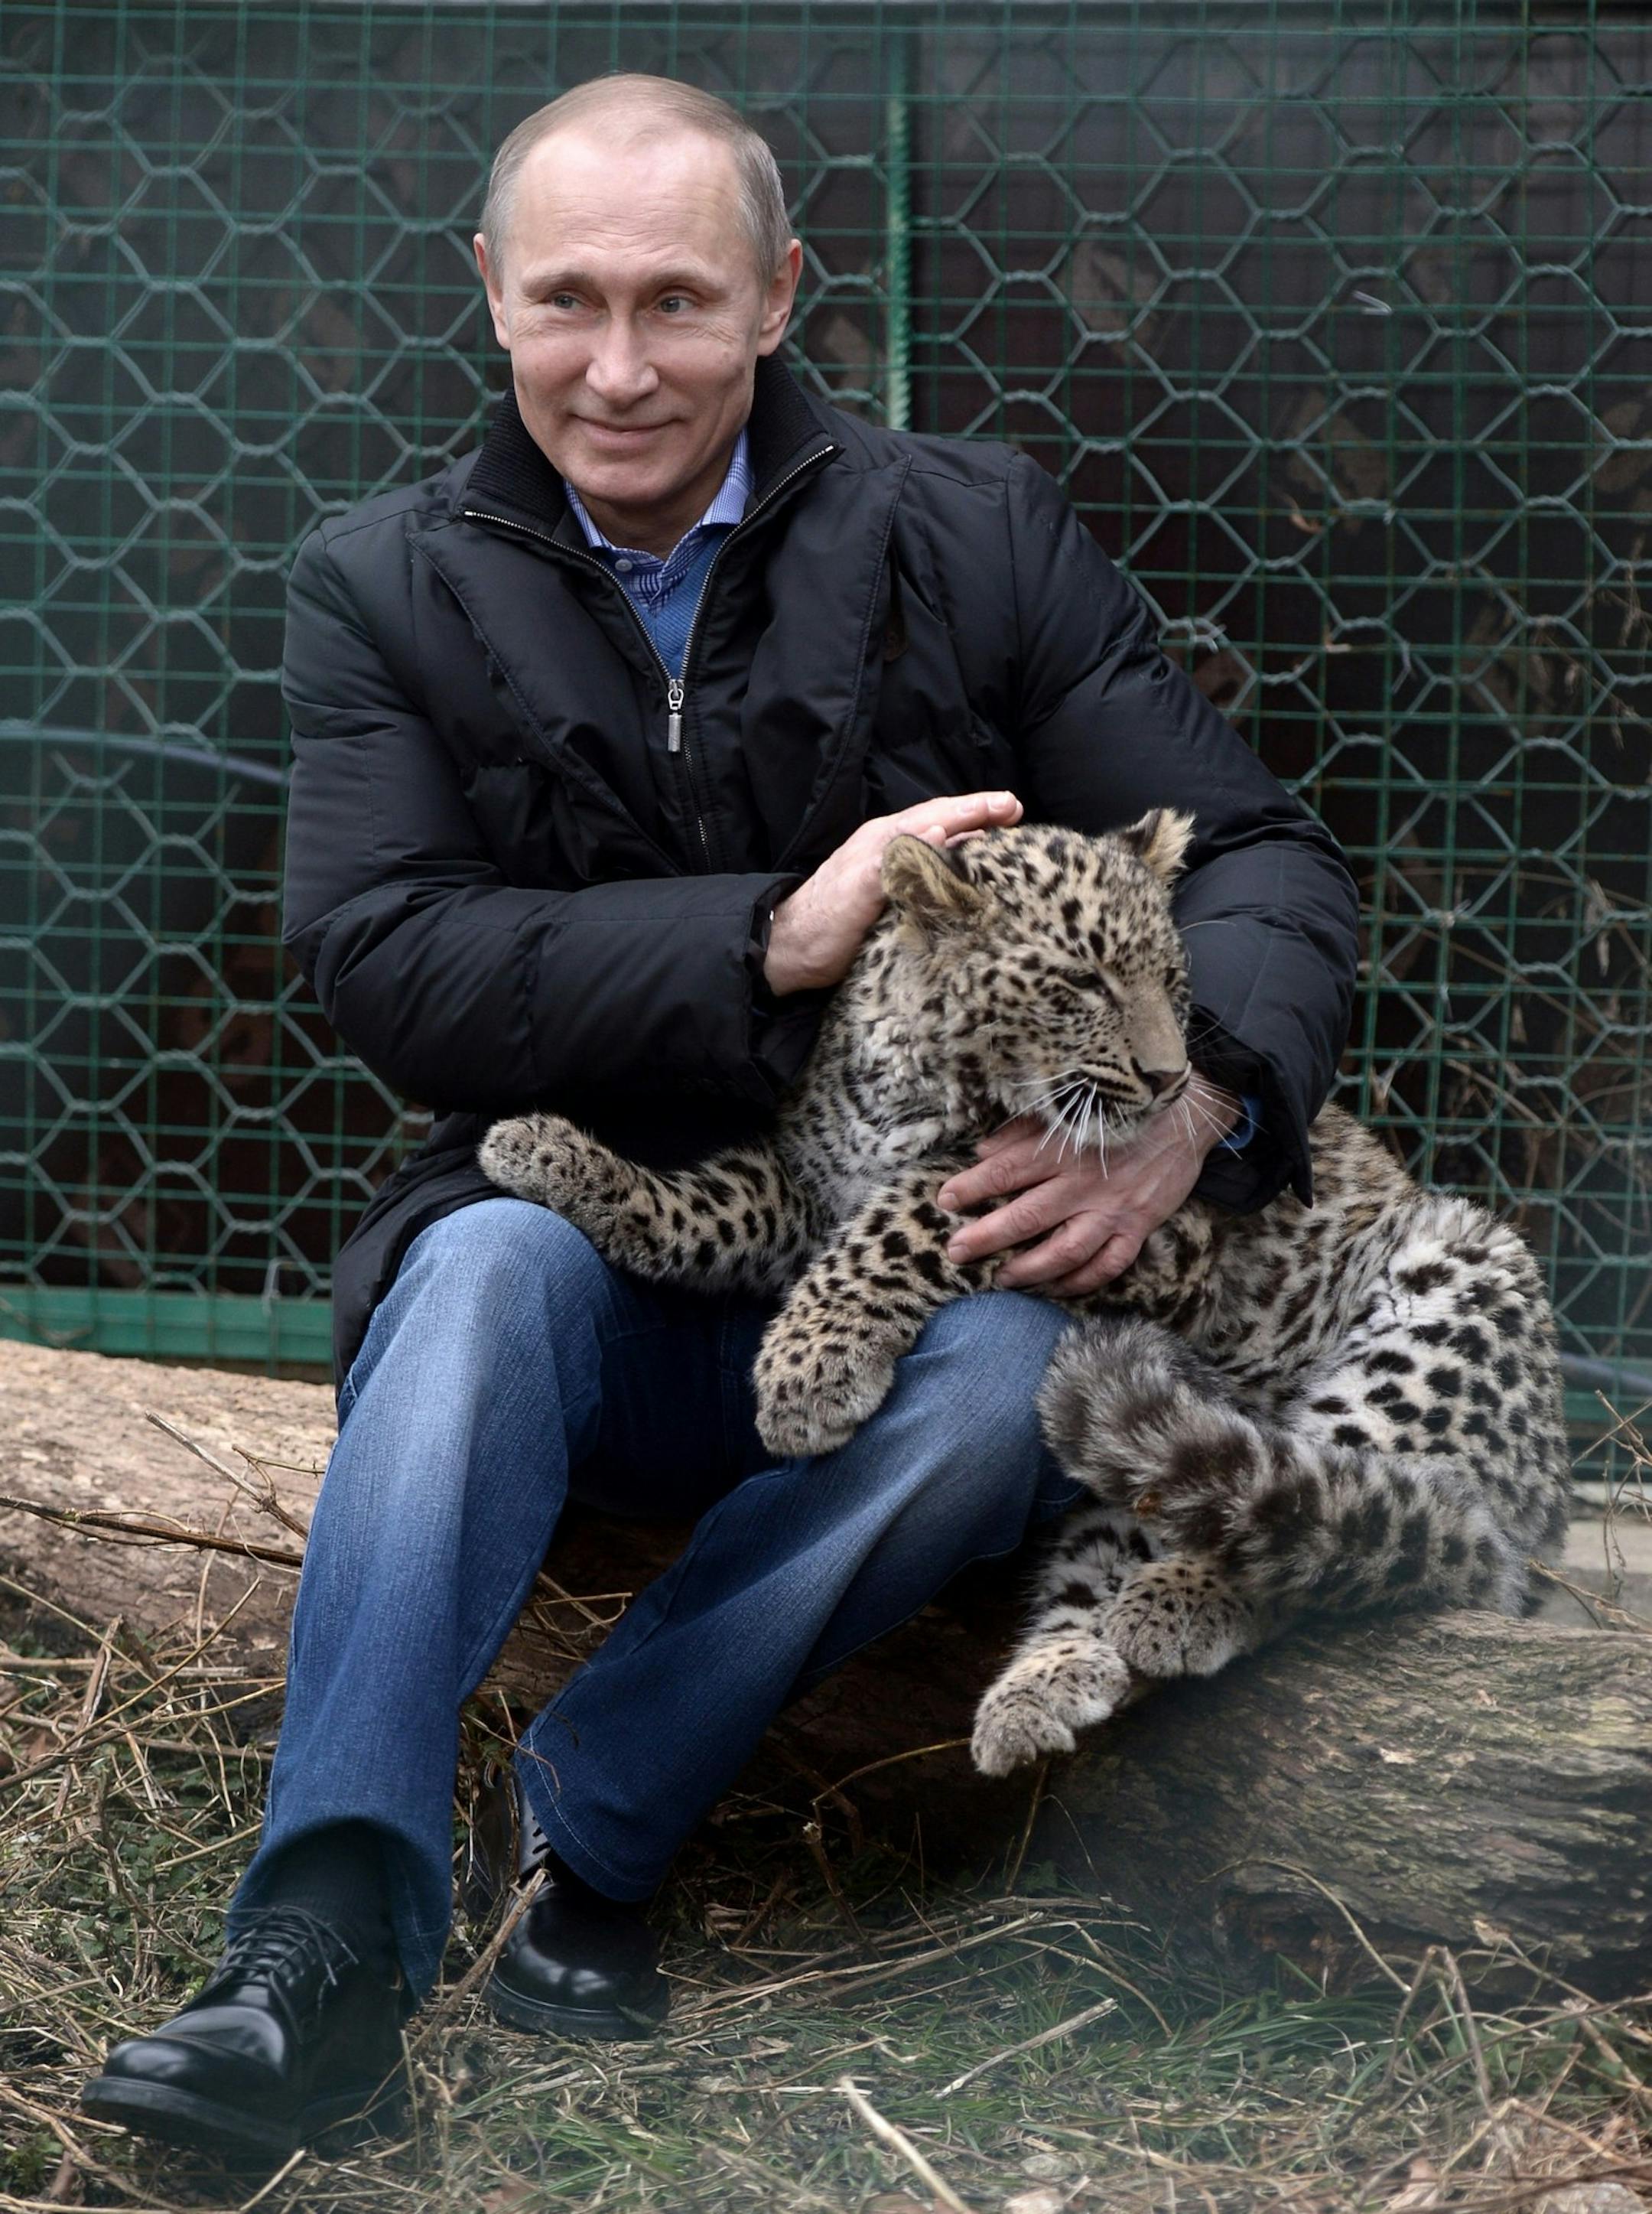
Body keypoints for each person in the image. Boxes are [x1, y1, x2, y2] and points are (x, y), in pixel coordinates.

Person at [82, 73, 1358, 2163]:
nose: (616, 364)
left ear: (777, 299)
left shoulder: (978, 528)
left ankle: (600, 1826)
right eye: (565, 298)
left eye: (677, 300)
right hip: (585, 1247)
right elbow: (386, 962)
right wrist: (779, 929)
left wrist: (1199, 1103)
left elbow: (1270, 862)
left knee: (1005, 1378)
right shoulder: (380, 584)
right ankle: (313, 1954)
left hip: (915, 1287)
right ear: (486, 296)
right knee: (479, 1267)